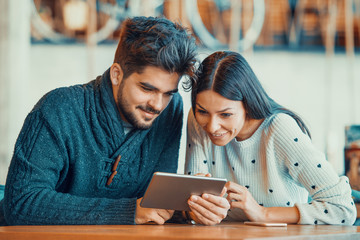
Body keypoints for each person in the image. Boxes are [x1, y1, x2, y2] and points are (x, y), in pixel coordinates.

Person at [0, 16, 197, 226]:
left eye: (168, 93)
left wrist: (190, 210)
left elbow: (155, 205)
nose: (158, 105)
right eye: (147, 88)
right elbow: (21, 204)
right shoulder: (58, 109)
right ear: (116, 75)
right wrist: (129, 212)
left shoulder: (171, 109)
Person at [184, 51, 356, 225]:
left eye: (226, 114)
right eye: (203, 111)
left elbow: (343, 209)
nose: (212, 127)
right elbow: (190, 204)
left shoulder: (280, 129)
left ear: (247, 105)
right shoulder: (197, 121)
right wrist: (196, 210)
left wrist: (262, 213)